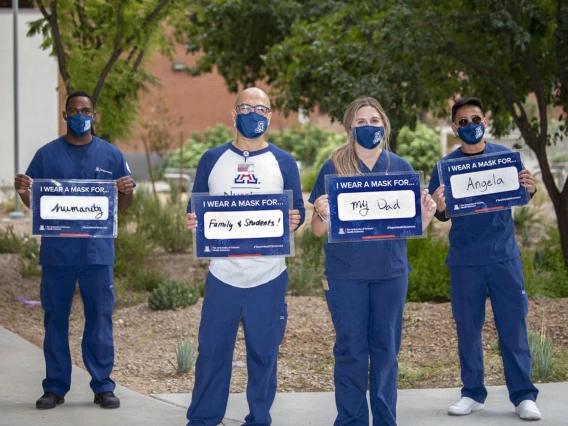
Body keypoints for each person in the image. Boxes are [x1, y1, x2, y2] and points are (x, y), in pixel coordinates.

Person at [309, 96, 436, 426]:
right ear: (350, 127)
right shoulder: (333, 166)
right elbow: (317, 230)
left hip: (390, 274)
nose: (369, 127)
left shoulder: (401, 168)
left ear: (385, 126)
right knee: (350, 351)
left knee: (386, 353)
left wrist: (426, 215)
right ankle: (350, 421)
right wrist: (321, 211)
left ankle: (384, 420)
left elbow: (413, 226)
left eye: (375, 121)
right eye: (362, 122)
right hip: (345, 275)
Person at [185, 87, 305, 426]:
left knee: (263, 354)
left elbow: (295, 211)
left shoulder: (283, 161)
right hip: (223, 274)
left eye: (261, 109)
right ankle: (204, 419)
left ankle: (259, 418)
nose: (254, 113)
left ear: (270, 116)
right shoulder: (211, 159)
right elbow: (195, 207)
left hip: (268, 275)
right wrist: (192, 219)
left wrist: (296, 220)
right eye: (246, 107)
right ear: (233, 113)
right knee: (211, 353)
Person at [14, 91, 135, 410]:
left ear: (94, 116)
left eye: (86, 110)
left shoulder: (111, 155)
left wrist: (125, 192)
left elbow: (122, 204)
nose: (80, 115)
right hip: (58, 256)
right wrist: (25, 192)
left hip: (97, 256)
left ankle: (103, 386)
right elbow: (37, 204)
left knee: (99, 319)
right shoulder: (46, 155)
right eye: (73, 110)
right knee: (55, 320)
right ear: (64, 115)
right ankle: (54, 387)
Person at [428, 97, 541, 421]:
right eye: (463, 122)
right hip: (465, 261)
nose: (470, 126)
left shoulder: (506, 160)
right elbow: (442, 215)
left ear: (485, 121)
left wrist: (529, 188)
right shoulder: (444, 167)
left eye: (475, 119)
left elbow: (522, 193)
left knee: (513, 327)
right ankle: (472, 393)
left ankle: (523, 397)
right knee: (468, 330)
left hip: (504, 258)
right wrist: (439, 205)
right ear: (454, 128)